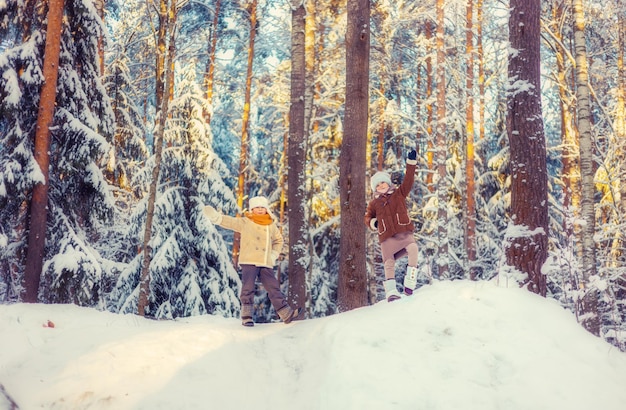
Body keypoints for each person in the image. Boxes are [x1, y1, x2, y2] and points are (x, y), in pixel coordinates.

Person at [203, 196, 301, 326]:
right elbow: (231, 222)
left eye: (262, 207)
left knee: (273, 287)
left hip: (265, 261)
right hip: (249, 260)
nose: (260, 210)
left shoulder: (270, 225)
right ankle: (246, 316)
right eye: (257, 208)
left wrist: (273, 254)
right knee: (248, 288)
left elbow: (278, 240)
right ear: (252, 209)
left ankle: (285, 313)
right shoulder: (246, 222)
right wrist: (217, 217)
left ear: (266, 209)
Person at [364, 149, 420, 302]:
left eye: (383, 182)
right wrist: (373, 222)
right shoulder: (374, 203)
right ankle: (391, 292)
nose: (381, 185)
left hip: (403, 231)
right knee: (389, 262)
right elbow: (368, 216)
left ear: (388, 184)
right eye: (378, 184)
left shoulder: (399, 194)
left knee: (413, 249)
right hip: (387, 237)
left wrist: (411, 163)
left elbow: (408, 180)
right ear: (375, 188)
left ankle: (410, 282)